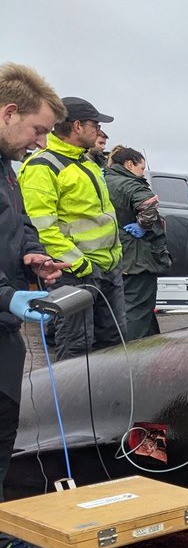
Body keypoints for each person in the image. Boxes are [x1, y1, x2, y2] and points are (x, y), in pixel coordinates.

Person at [0, 62, 68, 499]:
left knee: (5, 424)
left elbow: (21, 222)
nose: (41, 143)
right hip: (4, 306)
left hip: (4, 328)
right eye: (38, 129)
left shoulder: (9, 168)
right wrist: (7, 296)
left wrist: (32, 257)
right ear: (9, 113)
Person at [18, 96, 126, 361]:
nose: (99, 131)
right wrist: (80, 265)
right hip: (74, 273)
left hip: (108, 270)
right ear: (77, 126)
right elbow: (41, 228)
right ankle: (74, 403)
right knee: (77, 350)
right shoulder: (41, 167)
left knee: (115, 344)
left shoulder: (87, 162)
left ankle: (111, 401)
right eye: (95, 125)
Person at [105, 146, 172, 339]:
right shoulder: (131, 184)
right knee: (137, 309)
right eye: (141, 168)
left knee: (125, 306)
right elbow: (149, 204)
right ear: (129, 164)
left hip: (114, 254)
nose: (143, 173)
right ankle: (134, 354)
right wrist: (144, 225)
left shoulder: (103, 181)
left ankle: (151, 346)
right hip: (137, 257)